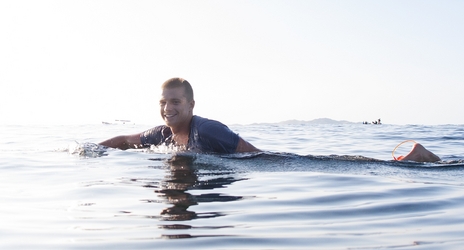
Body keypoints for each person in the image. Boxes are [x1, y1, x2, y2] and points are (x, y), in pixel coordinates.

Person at [100, 78, 439, 162]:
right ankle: (411, 159)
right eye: (163, 102)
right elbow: (126, 141)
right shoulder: (163, 135)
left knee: (321, 161)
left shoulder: (208, 129)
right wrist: (91, 149)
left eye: (175, 102)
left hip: (273, 162)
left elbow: (255, 155)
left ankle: (410, 160)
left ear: (190, 105)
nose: (167, 108)